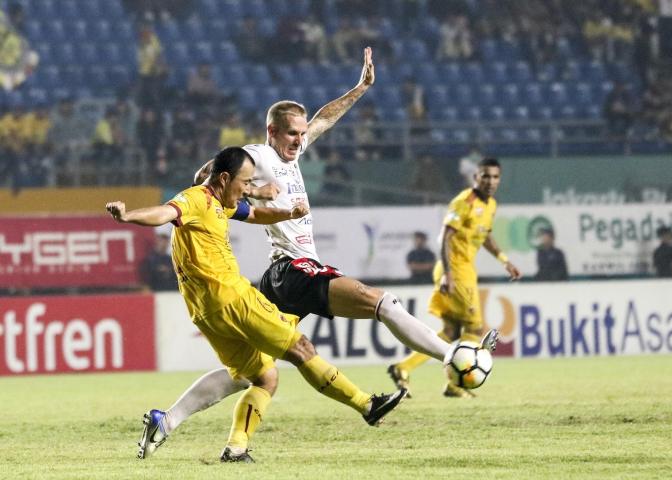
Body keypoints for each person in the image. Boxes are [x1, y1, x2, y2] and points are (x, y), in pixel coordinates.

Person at [137, 48, 478, 460]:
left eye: (301, 134)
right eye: (292, 134)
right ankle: (452, 355)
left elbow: (324, 120)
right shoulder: (259, 156)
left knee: (252, 373)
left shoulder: (292, 152)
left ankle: (175, 423)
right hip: (293, 269)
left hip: (278, 279)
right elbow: (203, 178)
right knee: (379, 301)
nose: (300, 141)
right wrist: (252, 189)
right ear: (271, 132)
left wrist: (360, 89)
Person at [108, 147, 407, 463]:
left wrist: (288, 214)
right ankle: (367, 406)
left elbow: (254, 214)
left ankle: (229, 447)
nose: (246, 190)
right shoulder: (197, 199)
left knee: (265, 377)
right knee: (301, 349)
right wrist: (128, 216)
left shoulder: (223, 204)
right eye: (244, 182)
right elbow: (164, 213)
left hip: (205, 312)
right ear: (225, 178)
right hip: (234, 299)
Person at [388, 157, 521, 399]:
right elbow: (445, 238)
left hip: (464, 271)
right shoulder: (464, 202)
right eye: (485, 176)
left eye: (495, 177)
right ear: (475, 177)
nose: (490, 181)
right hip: (455, 271)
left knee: (450, 331)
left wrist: (504, 260)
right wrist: (449, 274)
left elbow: (486, 236)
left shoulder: (490, 205)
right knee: (475, 327)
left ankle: (403, 368)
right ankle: (457, 383)